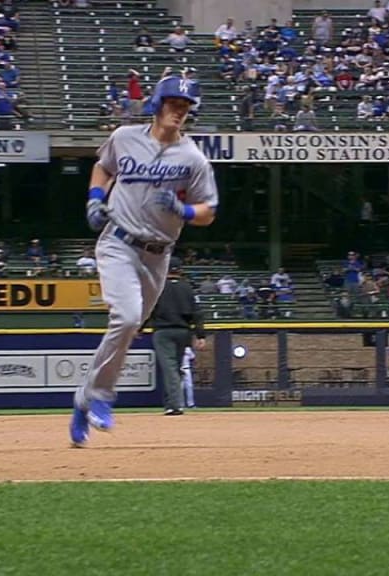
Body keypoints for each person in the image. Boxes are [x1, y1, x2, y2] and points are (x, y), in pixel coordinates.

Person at [70, 76, 218, 446]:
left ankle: (82, 399)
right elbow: (103, 167)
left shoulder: (192, 157)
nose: (179, 111)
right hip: (118, 243)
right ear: (157, 104)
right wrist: (93, 197)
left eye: (185, 107)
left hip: (158, 255)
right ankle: (102, 396)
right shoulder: (124, 137)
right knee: (129, 317)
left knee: (128, 327)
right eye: (173, 103)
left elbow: (209, 211)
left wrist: (184, 209)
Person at [148, 257, 207, 416]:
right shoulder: (187, 288)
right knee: (176, 369)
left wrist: (138, 328)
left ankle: (175, 405)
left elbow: (149, 310)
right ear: (180, 270)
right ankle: (171, 403)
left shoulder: (158, 287)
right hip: (183, 331)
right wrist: (200, 335)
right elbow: (198, 313)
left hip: (163, 332)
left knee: (170, 368)